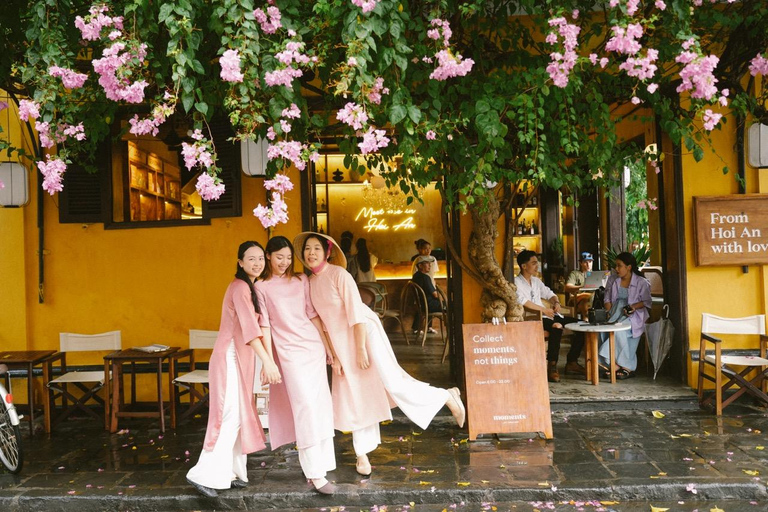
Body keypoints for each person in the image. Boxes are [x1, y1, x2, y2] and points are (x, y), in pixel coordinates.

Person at [293, 232, 466, 478]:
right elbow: (321, 322)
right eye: (307, 249)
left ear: (327, 252)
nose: (311, 253)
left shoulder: (339, 275)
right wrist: (335, 355)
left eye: (317, 249)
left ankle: (445, 396)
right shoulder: (310, 282)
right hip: (342, 344)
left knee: (391, 381)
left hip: (365, 335)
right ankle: (361, 453)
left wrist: (361, 348)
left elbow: (356, 313)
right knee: (353, 396)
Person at [187, 241, 282, 498]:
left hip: (241, 359)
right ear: (240, 262)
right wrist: (269, 362)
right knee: (227, 414)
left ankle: (231, 472)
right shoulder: (240, 287)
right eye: (251, 259)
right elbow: (251, 332)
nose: (257, 263)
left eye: (260, 258)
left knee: (238, 414)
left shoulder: (249, 287)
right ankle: (203, 474)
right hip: (230, 358)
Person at [254, 236, 338, 494]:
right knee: (305, 407)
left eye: (289, 257)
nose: (284, 262)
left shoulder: (301, 280)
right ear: (268, 256)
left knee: (320, 404)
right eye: (279, 257)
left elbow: (312, 314)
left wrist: (327, 347)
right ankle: (315, 473)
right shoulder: (261, 286)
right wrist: (268, 360)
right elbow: (265, 325)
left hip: (311, 347)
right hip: (288, 353)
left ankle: (322, 463)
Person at [514, 250, 586, 383]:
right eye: (534, 263)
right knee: (556, 326)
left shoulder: (536, 281)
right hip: (532, 317)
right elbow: (523, 302)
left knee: (581, 325)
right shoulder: (516, 282)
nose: (537, 266)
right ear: (524, 266)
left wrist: (556, 302)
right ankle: (552, 366)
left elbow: (549, 293)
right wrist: (543, 310)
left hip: (548, 315)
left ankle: (572, 362)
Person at [598, 252, 652, 380]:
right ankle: (615, 365)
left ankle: (627, 366)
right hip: (615, 312)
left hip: (635, 314)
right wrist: (609, 313)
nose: (616, 269)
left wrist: (633, 307)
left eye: (619, 266)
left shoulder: (641, 282)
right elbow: (607, 299)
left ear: (629, 267)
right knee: (603, 330)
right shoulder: (613, 280)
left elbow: (647, 302)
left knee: (619, 332)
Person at [411, 255, 442, 335]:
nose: (430, 265)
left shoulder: (415, 276)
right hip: (429, 305)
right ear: (420, 265)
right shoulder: (425, 278)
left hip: (422, 305)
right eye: (427, 263)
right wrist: (444, 299)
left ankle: (420, 328)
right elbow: (435, 295)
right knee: (453, 306)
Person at [565, 252, 595, 318]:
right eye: (585, 262)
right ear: (581, 263)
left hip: (593, 298)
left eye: (590, 262)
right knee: (585, 301)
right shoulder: (575, 273)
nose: (588, 265)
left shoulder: (595, 275)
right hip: (578, 298)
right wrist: (582, 287)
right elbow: (567, 287)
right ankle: (586, 321)